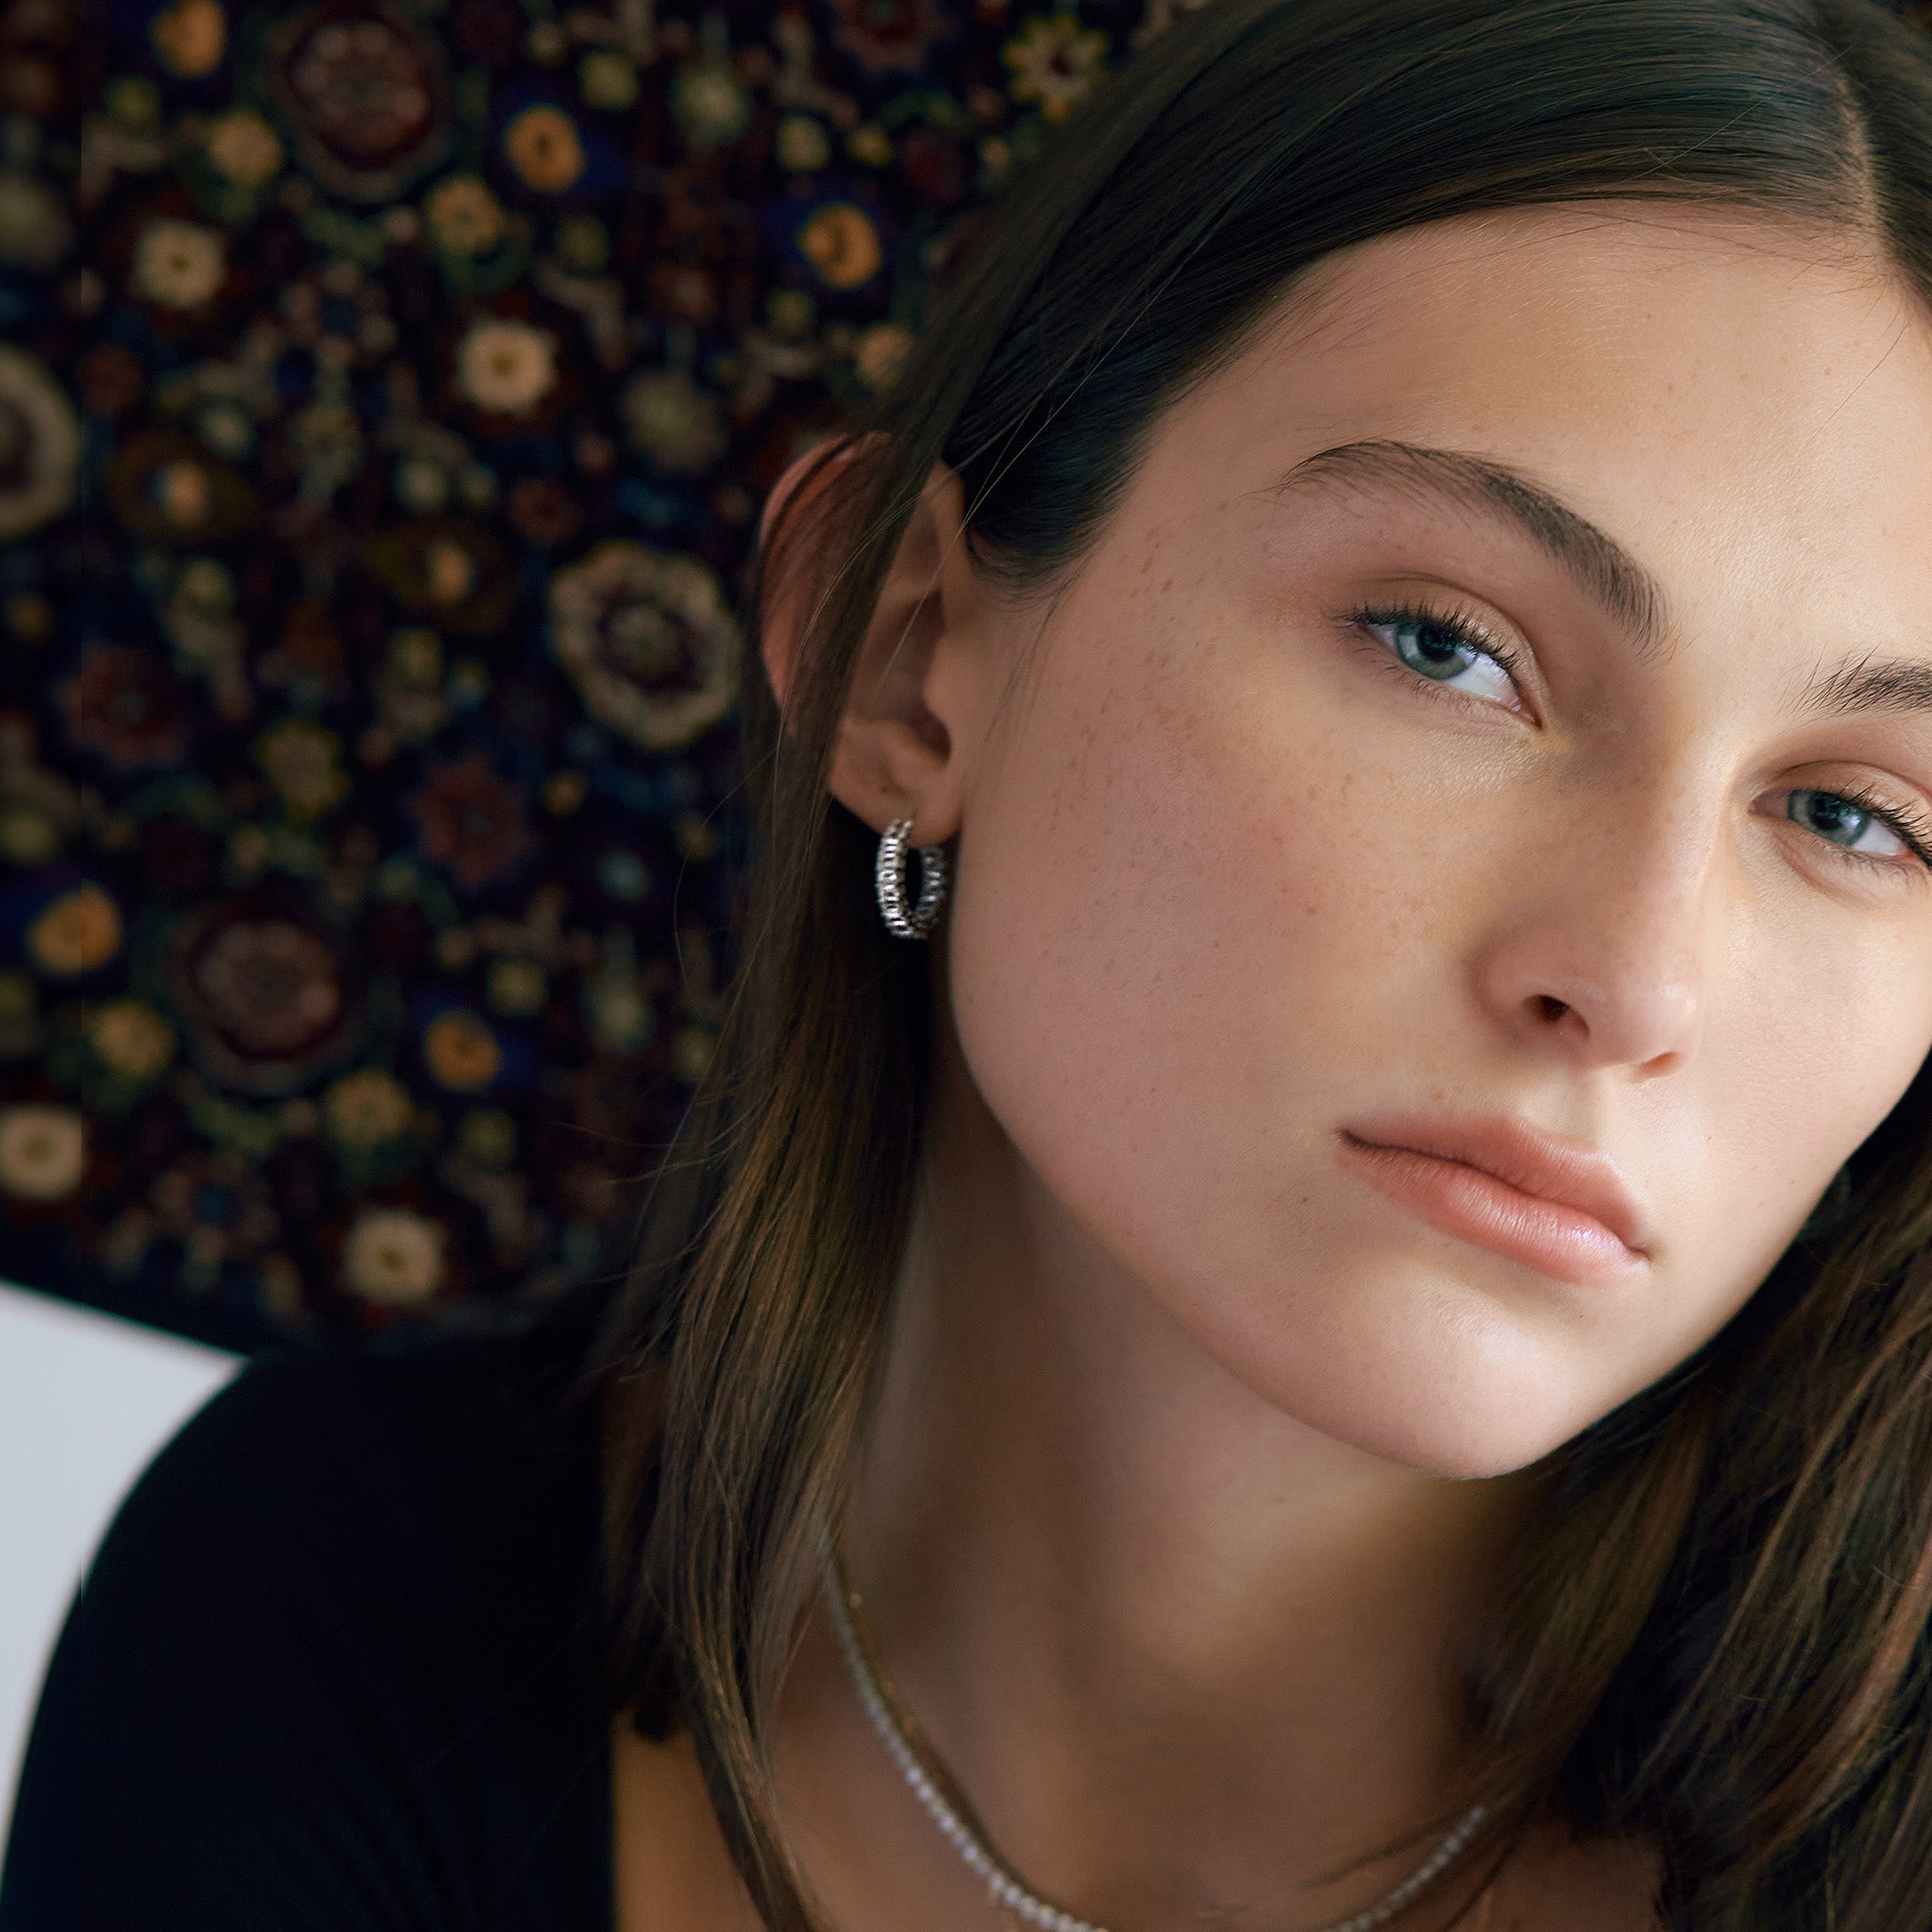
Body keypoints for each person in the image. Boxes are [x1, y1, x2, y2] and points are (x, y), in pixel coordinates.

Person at [13, 0, 1932, 1925]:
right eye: (1445, 645)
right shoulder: (336, 1607)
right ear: (909, 653)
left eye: (1853, 816)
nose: (1632, 977)